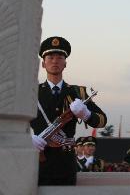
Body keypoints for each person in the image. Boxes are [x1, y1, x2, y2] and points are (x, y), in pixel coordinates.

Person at [30, 36, 108, 186]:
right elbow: (17, 123)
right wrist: (27, 139)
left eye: (60, 57)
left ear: (65, 63)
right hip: (38, 161)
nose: (55, 61)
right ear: (43, 64)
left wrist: (86, 114)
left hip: (66, 164)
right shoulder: (32, 93)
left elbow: (102, 120)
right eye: (50, 57)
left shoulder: (78, 93)